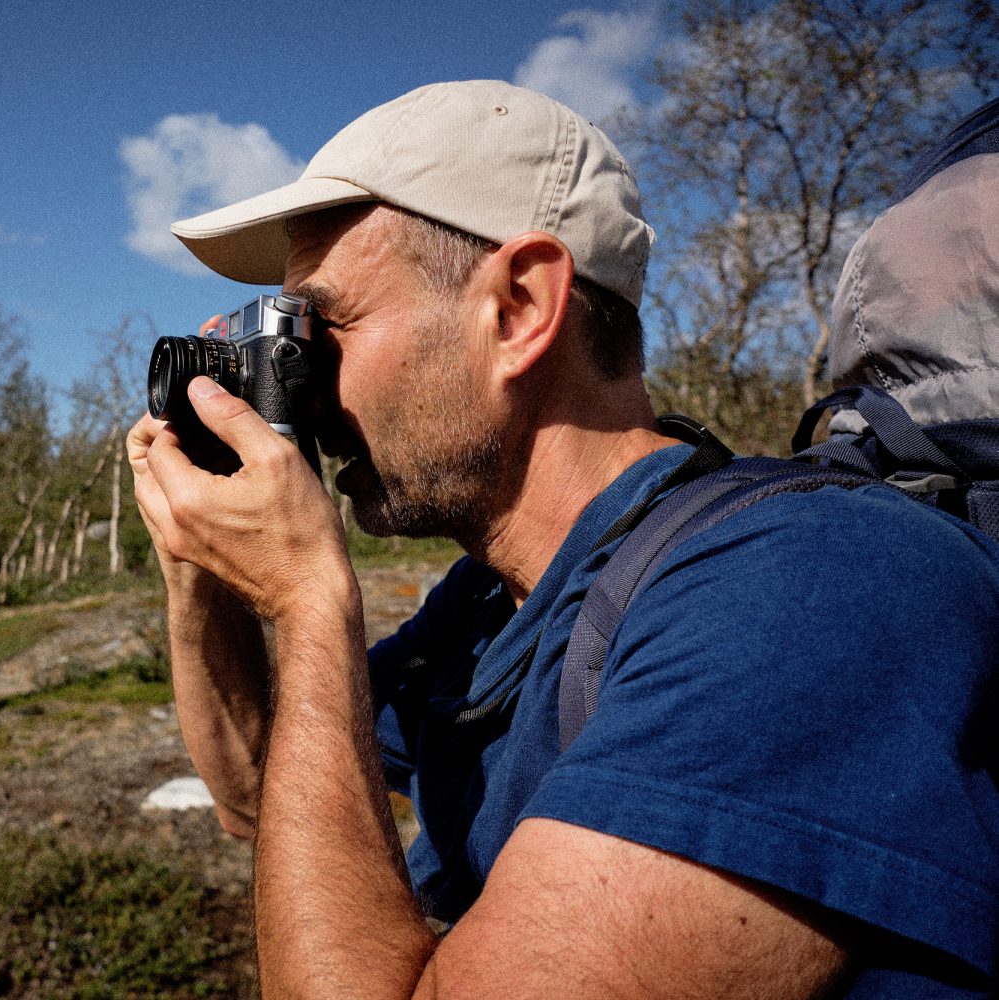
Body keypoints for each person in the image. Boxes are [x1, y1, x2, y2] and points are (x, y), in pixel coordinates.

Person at [127, 81, 999, 999]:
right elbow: (257, 795)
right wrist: (199, 570)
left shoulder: (805, 589)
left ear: (519, 308)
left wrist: (309, 600)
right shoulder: (489, 601)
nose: (300, 385)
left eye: (325, 327)